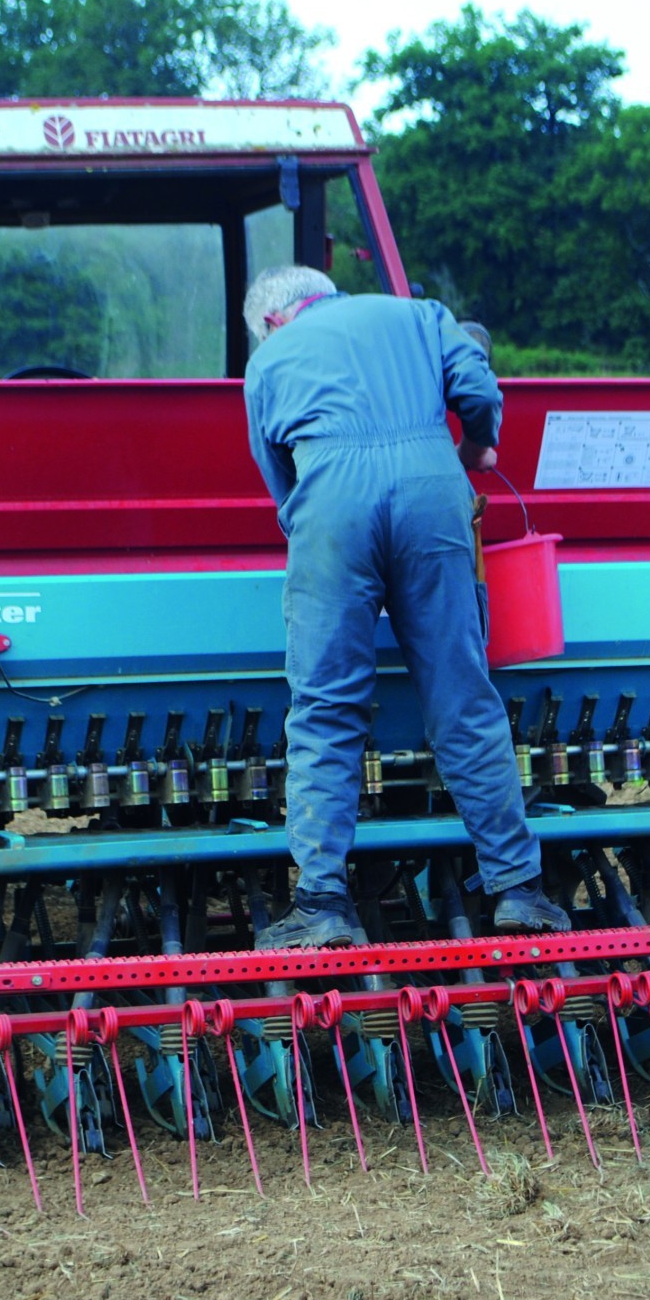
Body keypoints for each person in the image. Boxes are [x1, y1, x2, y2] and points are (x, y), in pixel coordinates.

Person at [240, 266, 570, 949]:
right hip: (432, 488)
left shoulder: (269, 360)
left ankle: (323, 904)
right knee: (462, 694)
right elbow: (476, 384)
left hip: (330, 498)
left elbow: (281, 486)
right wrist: (477, 441)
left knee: (326, 706)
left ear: (272, 321)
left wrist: (328, 537)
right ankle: (518, 892)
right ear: (326, 294)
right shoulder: (421, 316)